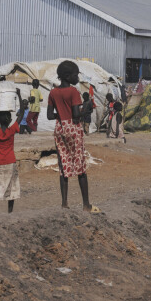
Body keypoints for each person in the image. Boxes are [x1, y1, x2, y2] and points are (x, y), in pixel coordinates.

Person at [47, 59, 98, 212]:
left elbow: (49, 115)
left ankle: (64, 203)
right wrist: (85, 111)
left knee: (64, 165)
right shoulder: (73, 92)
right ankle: (86, 204)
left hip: (60, 129)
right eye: (76, 75)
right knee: (80, 166)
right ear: (68, 76)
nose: (78, 78)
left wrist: (61, 115)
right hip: (73, 129)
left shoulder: (53, 92)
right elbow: (76, 114)